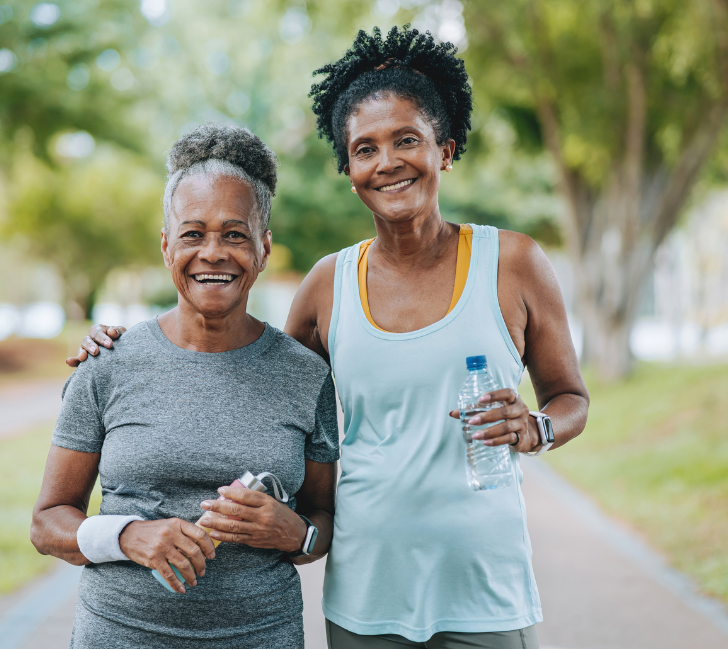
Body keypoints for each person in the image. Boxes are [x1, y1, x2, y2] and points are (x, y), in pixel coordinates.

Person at [72, 26, 589, 649]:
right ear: (349, 170)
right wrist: (135, 347)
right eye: (365, 149)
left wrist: (538, 427)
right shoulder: (327, 285)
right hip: (367, 584)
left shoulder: (514, 262)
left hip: (485, 579)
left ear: (445, 148)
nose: (388, 162)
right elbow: (255, 367)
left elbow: (571, 398)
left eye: (408, 140)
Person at [31, 124, 339, 649]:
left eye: (235, 234)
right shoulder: (109, 364)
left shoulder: (306, 375)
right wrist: (128, 536)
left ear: (263, 248)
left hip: (262, 635)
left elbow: (321, 518)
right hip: (120, 634)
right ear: (166, 245)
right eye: (193, 234)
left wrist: (297, 534)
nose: (213, 252)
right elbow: (47, 524)